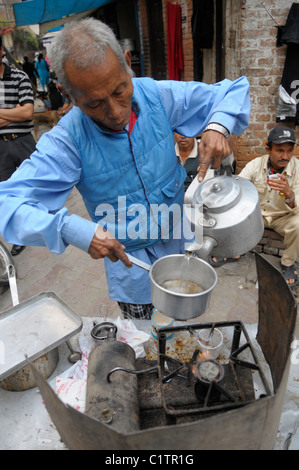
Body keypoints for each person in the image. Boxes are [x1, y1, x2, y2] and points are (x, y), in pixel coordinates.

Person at [0, 18, 250, 318]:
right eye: (94, 104)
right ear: (69, 95)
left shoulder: (157, 96)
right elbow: (7, 204)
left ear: (127, 63)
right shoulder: (67, 141)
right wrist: (73, 229)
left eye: (120, 89)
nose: (116, 112)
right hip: (132, 268)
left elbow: (232, 90)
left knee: (184, 328)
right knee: (143, 341)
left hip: (181, 246)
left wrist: (218, 125)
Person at [210, 126, 299, 287]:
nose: (285, 156)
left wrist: (289, 193)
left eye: (289, 151)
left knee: (298, 223)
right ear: (268, 149)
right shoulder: (255, 165)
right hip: (257, 215)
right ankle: (234, 252)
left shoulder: (297, 169)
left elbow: (297, 204)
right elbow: (239, 187)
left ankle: (287, 263)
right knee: (234, 213)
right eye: (280, 150)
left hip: (282, 218)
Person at [0, 35, 36, 256]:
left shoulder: (20, 76)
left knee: (31, 187)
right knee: (5, 195)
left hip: (23, 142)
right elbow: (21, 112)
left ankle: (37, 225)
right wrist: (15, 112)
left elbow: (28, 112)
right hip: (0, 148)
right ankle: (18, 236)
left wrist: (15, 113)